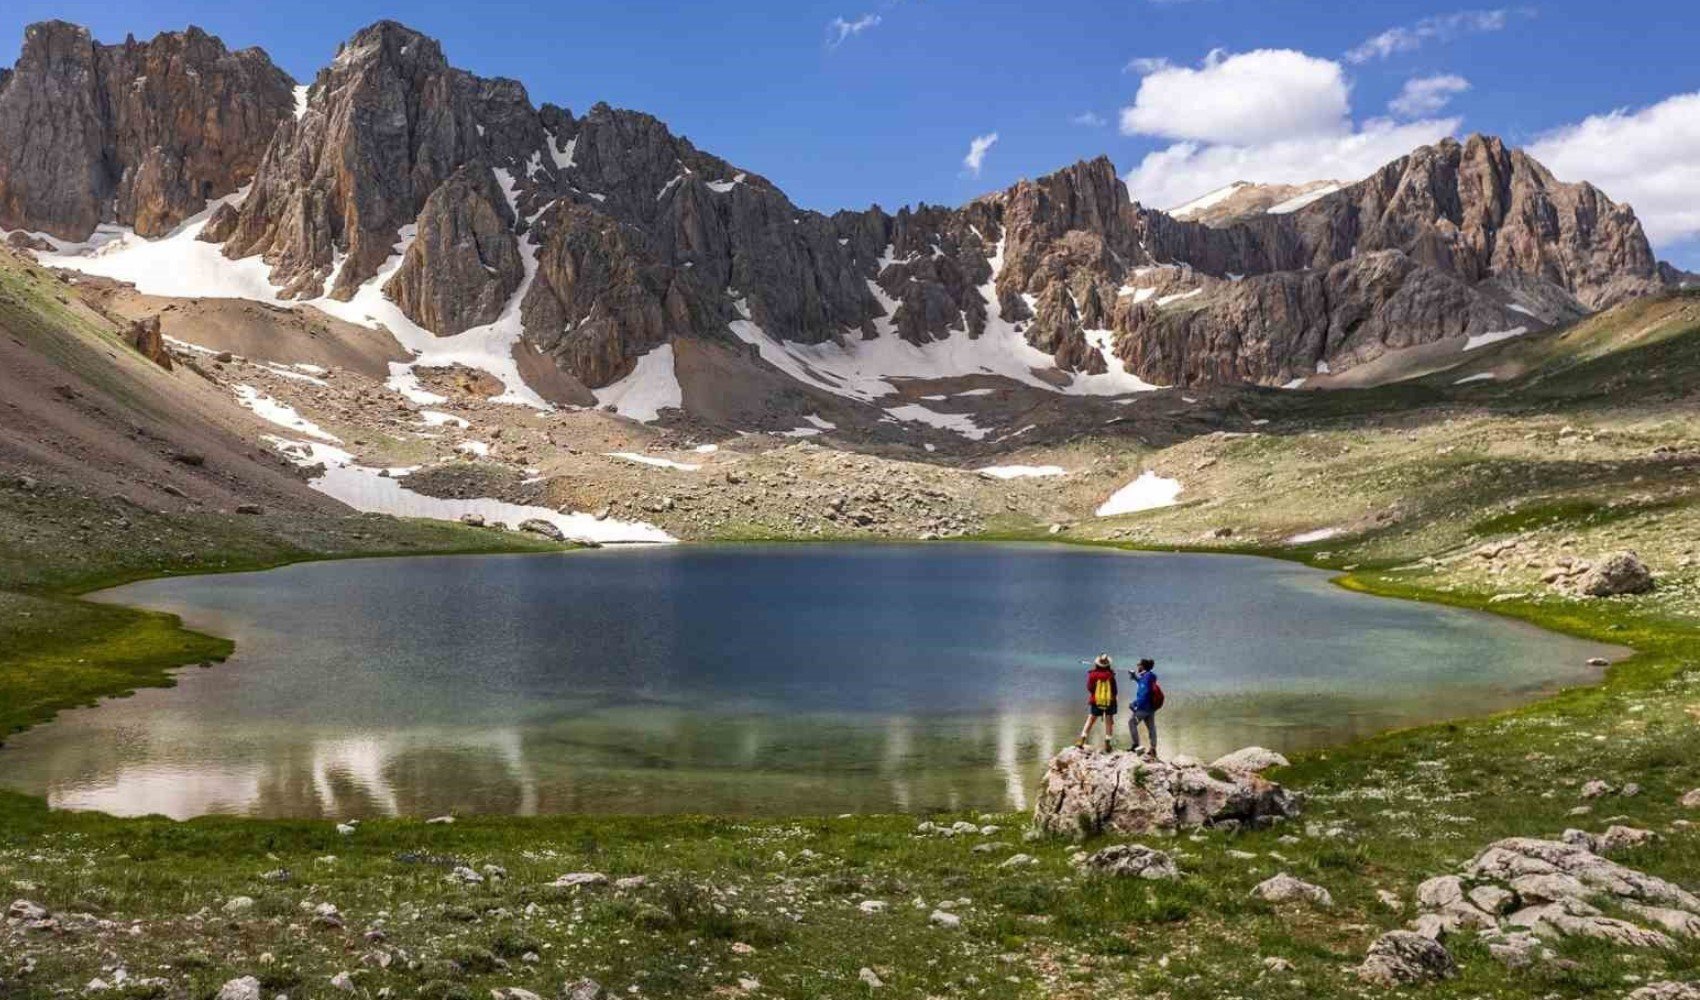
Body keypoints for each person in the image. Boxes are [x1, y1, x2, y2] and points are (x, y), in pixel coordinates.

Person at [1074, 654, 1118, 752]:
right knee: (1109, 721)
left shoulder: (1093, 674)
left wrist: (1096, 694)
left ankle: (1082, 740)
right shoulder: (1110, 675)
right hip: (1109, 701)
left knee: (1091, 720)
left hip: (1095, 700)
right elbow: (1114, 690)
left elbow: (1090, 688)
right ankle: (1107, 744)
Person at [1128, 658, 1161, 756]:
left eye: (1138, 664)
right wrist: (1135, 677)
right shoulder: (1149, 676)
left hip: (1144, 708)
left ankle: (1135, 745)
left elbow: (1144, 692)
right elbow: (1142, 684)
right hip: (1151, 708)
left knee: (1131, 722)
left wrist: (1134, 704)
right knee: (1151, 728)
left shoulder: (1146, 678)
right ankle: (1153, 749)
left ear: (1142, 666)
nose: (1137, 666)